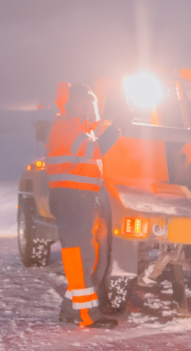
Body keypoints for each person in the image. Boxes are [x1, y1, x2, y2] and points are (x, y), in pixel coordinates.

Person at [47, 82, 123, 328]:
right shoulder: (64, 125)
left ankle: (71, 309)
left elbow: (94, 131)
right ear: (75, 105)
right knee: (79, 257)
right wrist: (114, 128)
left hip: (80, 198)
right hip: (71, 199)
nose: (92, 108)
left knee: (84, 256)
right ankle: (87, 314)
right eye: (87, 104)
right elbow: (92, 149)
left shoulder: (79, 127)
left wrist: (113, 119)